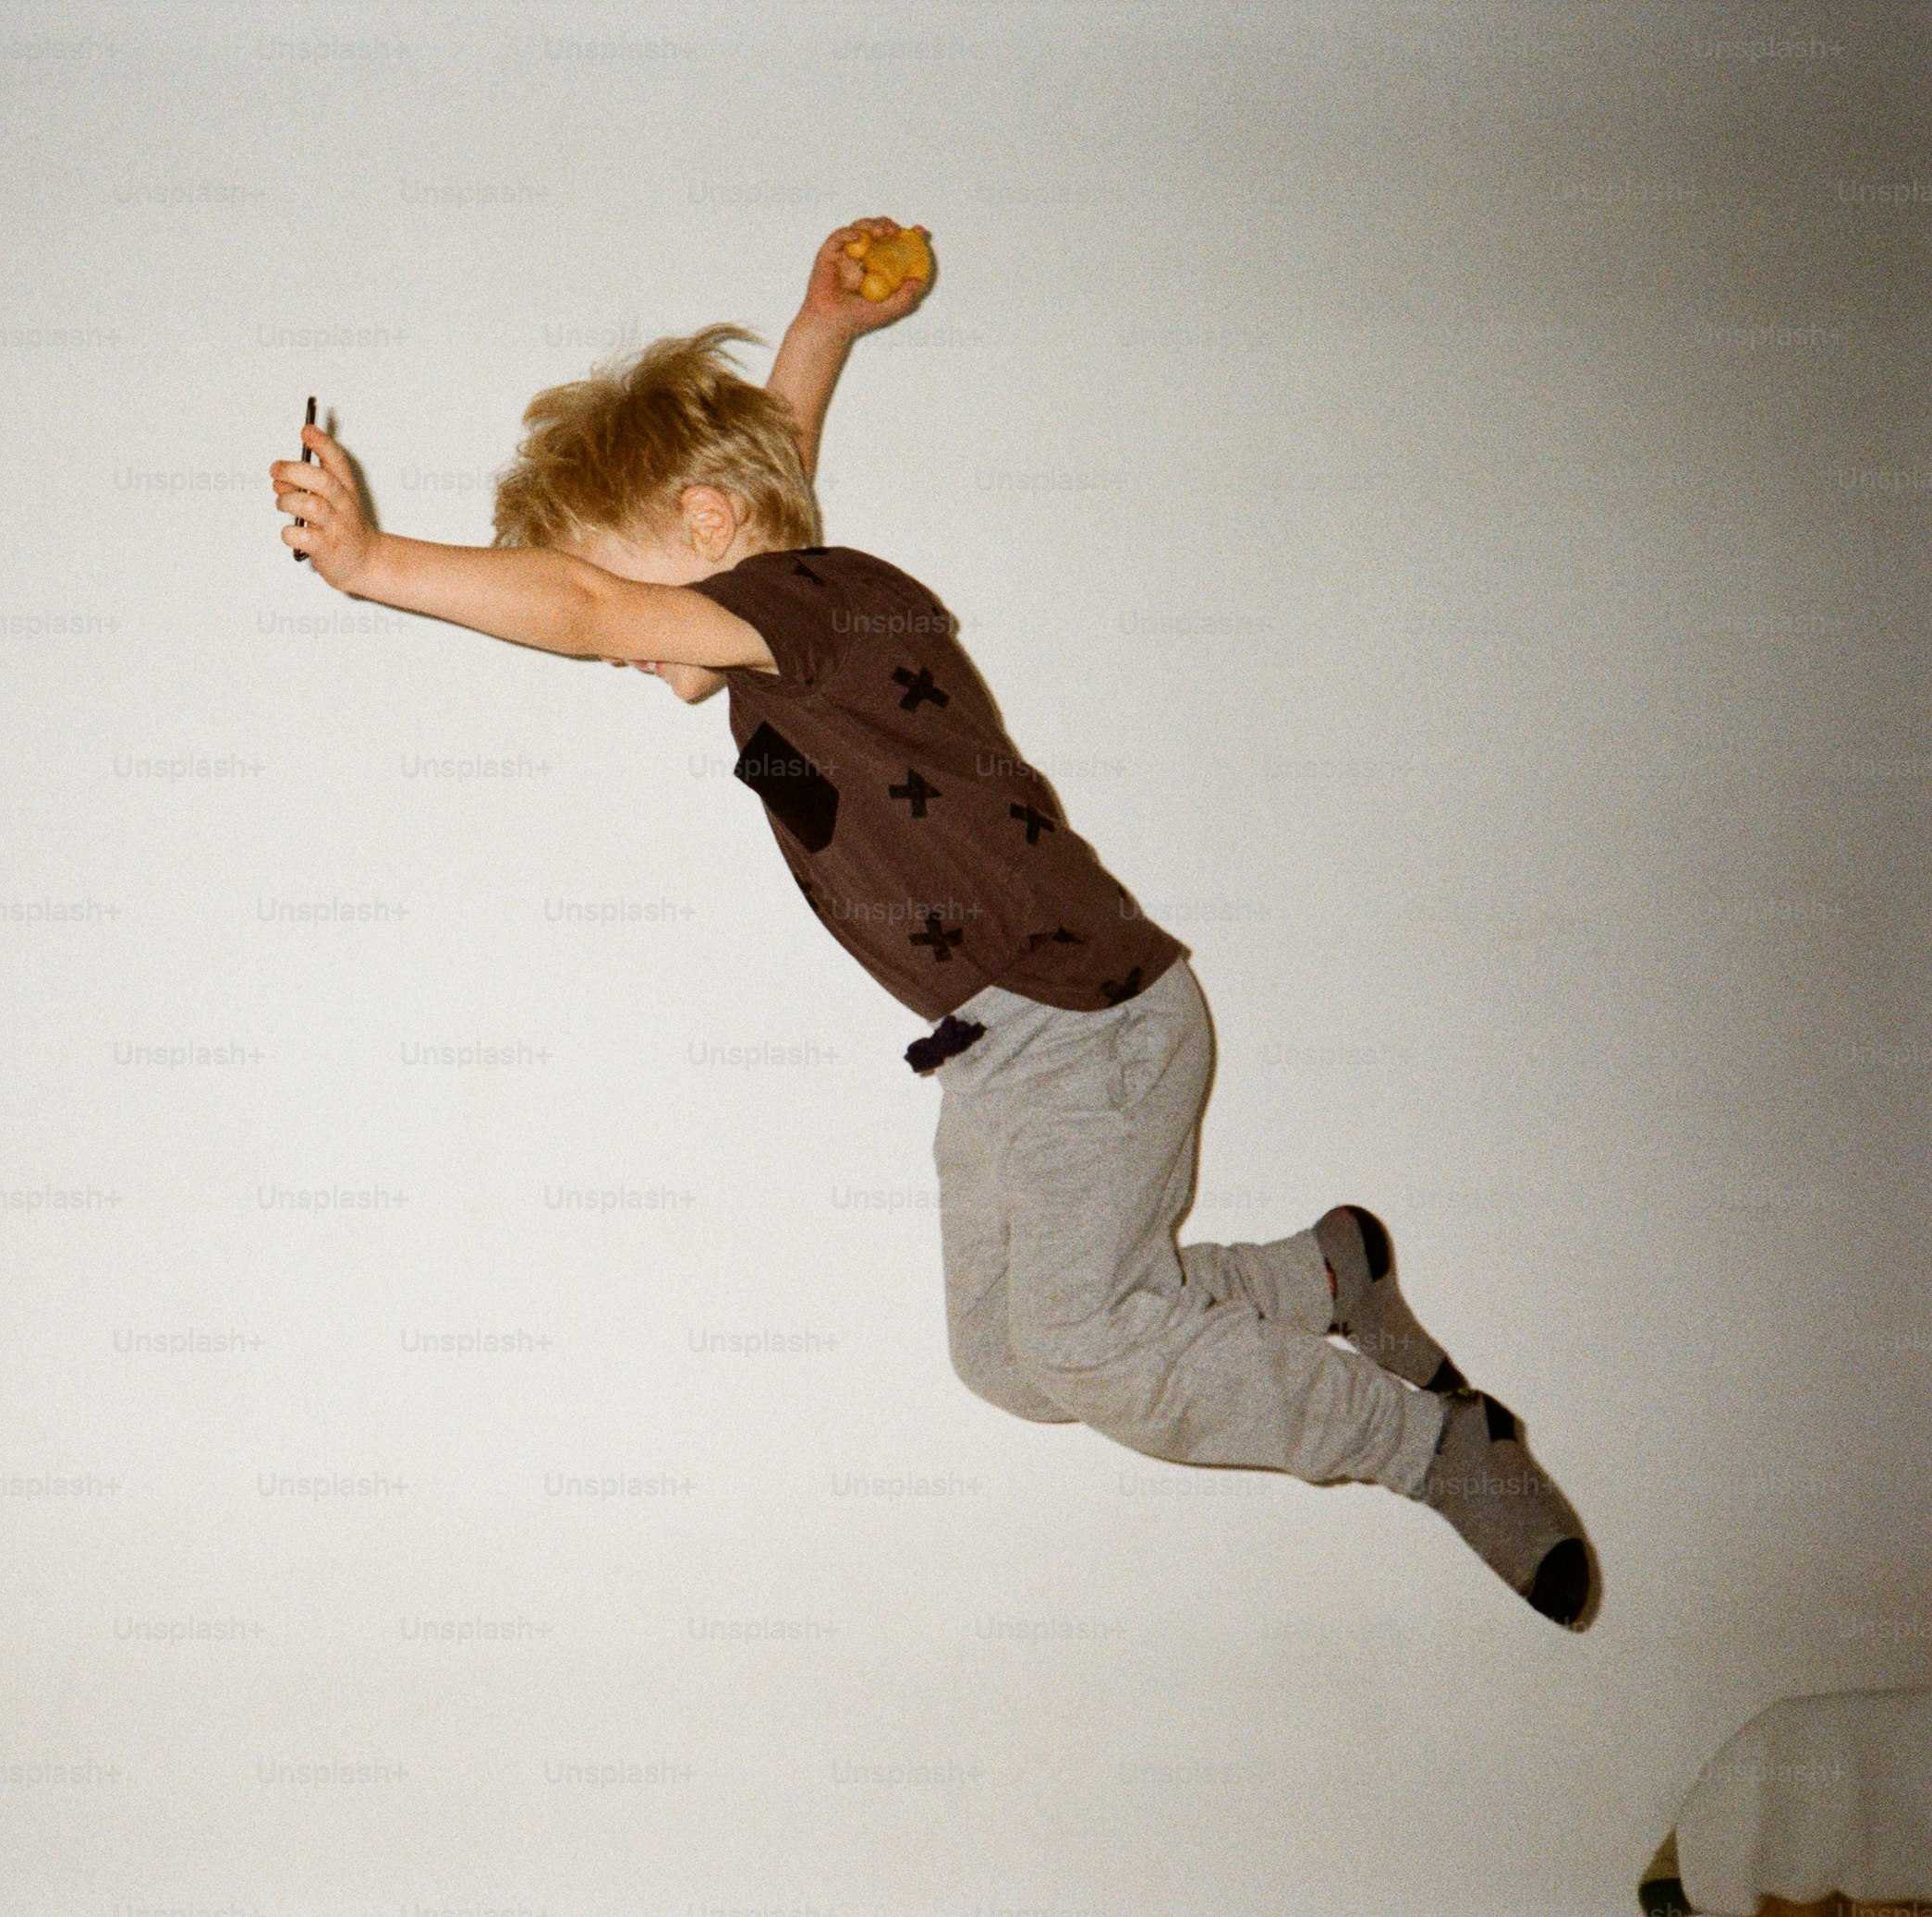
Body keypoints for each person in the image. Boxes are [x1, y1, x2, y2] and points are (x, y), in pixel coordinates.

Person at [267, 217, 1598, 1631]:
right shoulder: (799, 634)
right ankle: (1326, 1274)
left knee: (1086, 1343)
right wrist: (818, 334)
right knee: (1010, 1363)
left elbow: (606, 602)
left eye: (648, 602)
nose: (633, 646)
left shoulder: (817, 608)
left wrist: (375, 565)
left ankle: (1434, 1446)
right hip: (999, 1054)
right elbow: (741, 496)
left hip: (1086, 1019)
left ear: (708, 537)